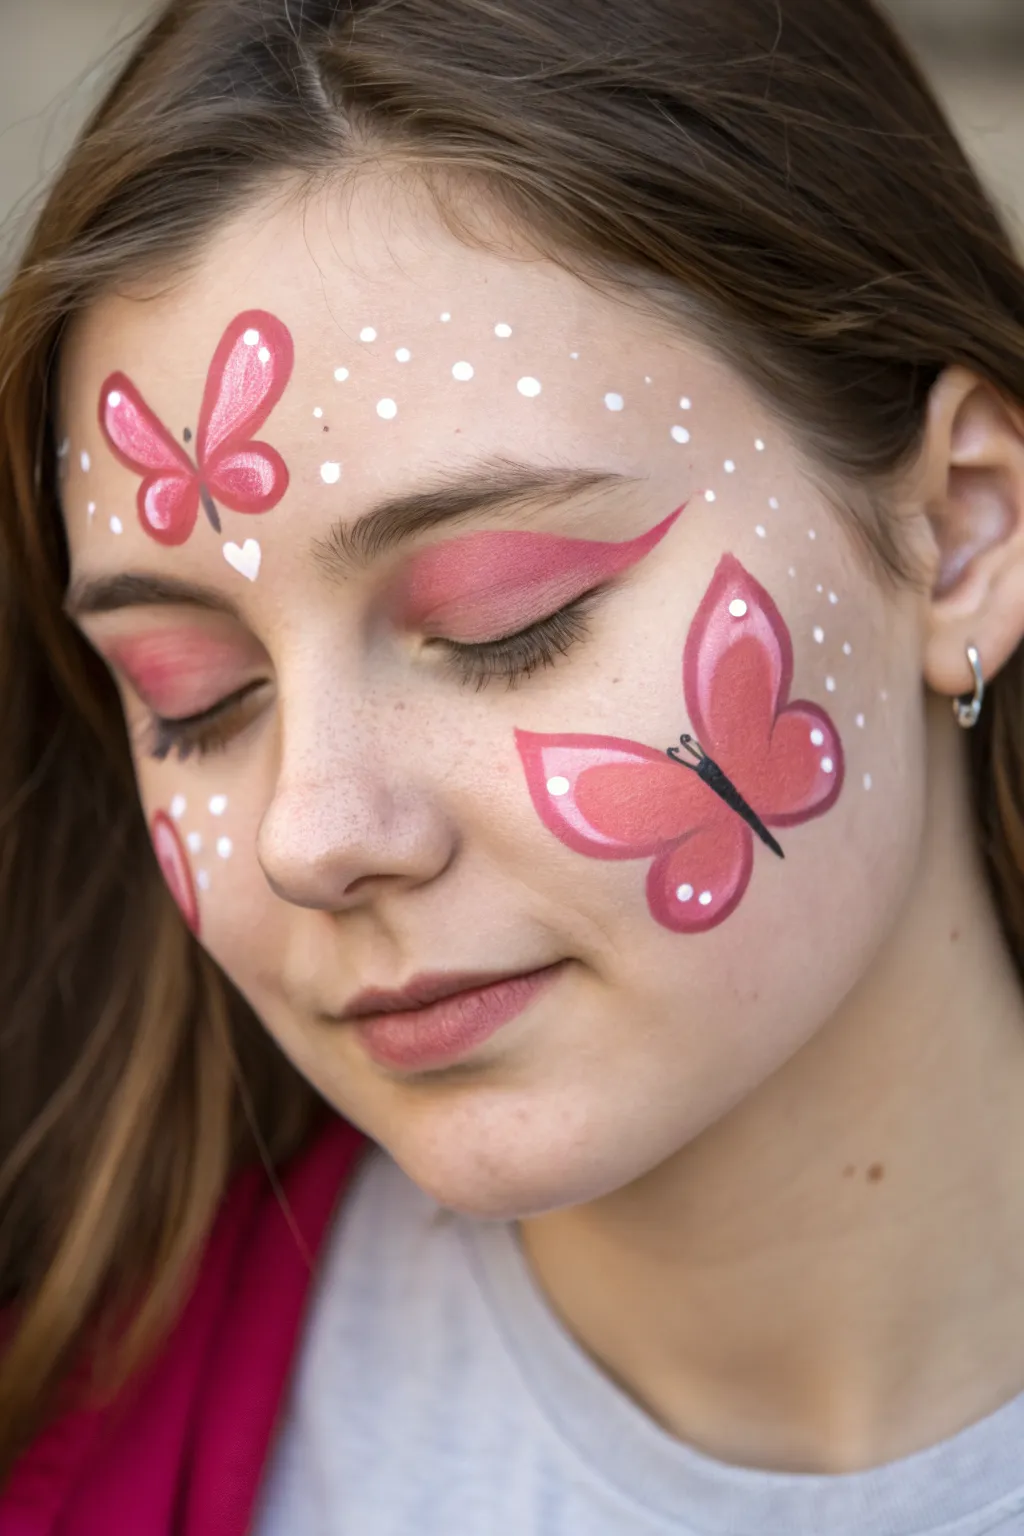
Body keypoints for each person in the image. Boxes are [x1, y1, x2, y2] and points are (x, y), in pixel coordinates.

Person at [3, 0, 1024, 1530]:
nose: (311, 834)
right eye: (197, 697)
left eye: (505, 623)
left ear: (960, 531)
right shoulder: (75, 1448)